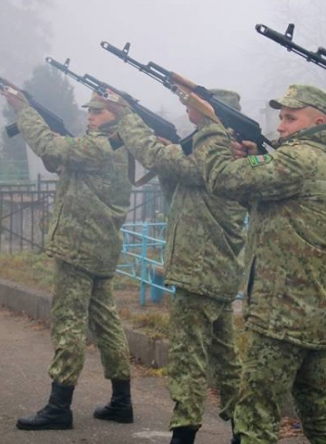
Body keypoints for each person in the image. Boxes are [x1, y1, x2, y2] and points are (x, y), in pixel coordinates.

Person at [190, 84, 326, 444]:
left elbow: (220, 177)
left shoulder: (299, 159)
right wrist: (252, 158)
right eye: (280, 117)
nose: (280, 126)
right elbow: (274, 211)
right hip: (314, 312)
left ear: (318, 121)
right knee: (318, 411)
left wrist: (209, 126)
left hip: (282, 314)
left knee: (255, 415)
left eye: (290, 118)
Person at [104, 90, 247, 444]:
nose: (188, 108)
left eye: (195, 104)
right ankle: (245, 430)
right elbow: (178, 193)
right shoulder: (223, 151)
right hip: (214, 271)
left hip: (199, 271)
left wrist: (126, 115)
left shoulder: (215, 148)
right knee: (224, 358)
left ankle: (184, 434)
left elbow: (155, 155)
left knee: (187, 359)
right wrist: (170, 151)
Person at [3, 93, 135, 431]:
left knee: (68, 323)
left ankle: (59, 406)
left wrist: (24, 110)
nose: (90, 116)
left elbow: (51, 147)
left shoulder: (101, 146)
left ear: (117, 115)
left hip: (78, 247)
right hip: (102, 246)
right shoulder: (121, 147)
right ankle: (122, 401)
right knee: (106, 322)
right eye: (89, 110)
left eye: (98, 111)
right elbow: (59, 160)